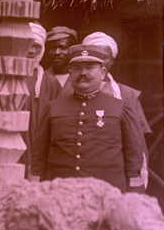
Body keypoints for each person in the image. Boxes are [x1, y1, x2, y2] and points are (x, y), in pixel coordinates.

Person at [31, 44, 145, 193]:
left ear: (102, 73)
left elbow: (134, 157)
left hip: (106, 195)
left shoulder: (121, 108)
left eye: (90, 67)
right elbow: (39, 157)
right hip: (61, 195)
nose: (83, 73)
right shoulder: (52, 108)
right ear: (70, 73)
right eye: (77, 68)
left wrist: (134, 194)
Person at [69, 32, 153, 188]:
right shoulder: (69, 92)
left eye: (104, 57)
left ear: (112, 61)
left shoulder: (127, 94)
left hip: (113, 172)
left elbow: (137, 142)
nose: (100, 61)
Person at [26, 22, 60, 180]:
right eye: (27, 44)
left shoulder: (50, 83)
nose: (32, 51)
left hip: (38, 148)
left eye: (37, 46)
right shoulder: (5, 79)